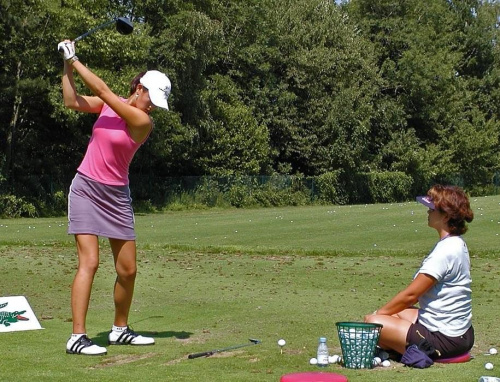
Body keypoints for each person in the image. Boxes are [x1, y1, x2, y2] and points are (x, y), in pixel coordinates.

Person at [58, 40, 171, 355]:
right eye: (152, 100)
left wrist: (75, 58)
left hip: (116, 195)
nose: (152, 108)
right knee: (89, 262)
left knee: (128, 270)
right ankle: (77, 337)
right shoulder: (112, 104)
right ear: (139, 88)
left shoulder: (141, 122)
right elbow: (72, 101)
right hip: (86, 189)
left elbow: (105, 92)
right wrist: (67, 65)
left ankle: (119, 329)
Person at [364, 184, 474, 360]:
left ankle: (415, 349)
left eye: (431, 209)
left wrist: (377, 316)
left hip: (446, 340)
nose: (428, 212)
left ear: (445, 216)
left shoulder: (445, 251)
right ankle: (396, 342)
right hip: (461, 334)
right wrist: (385, 313)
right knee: (395, 313)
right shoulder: (456, 243)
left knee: (373, 324)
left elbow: (411, 296)